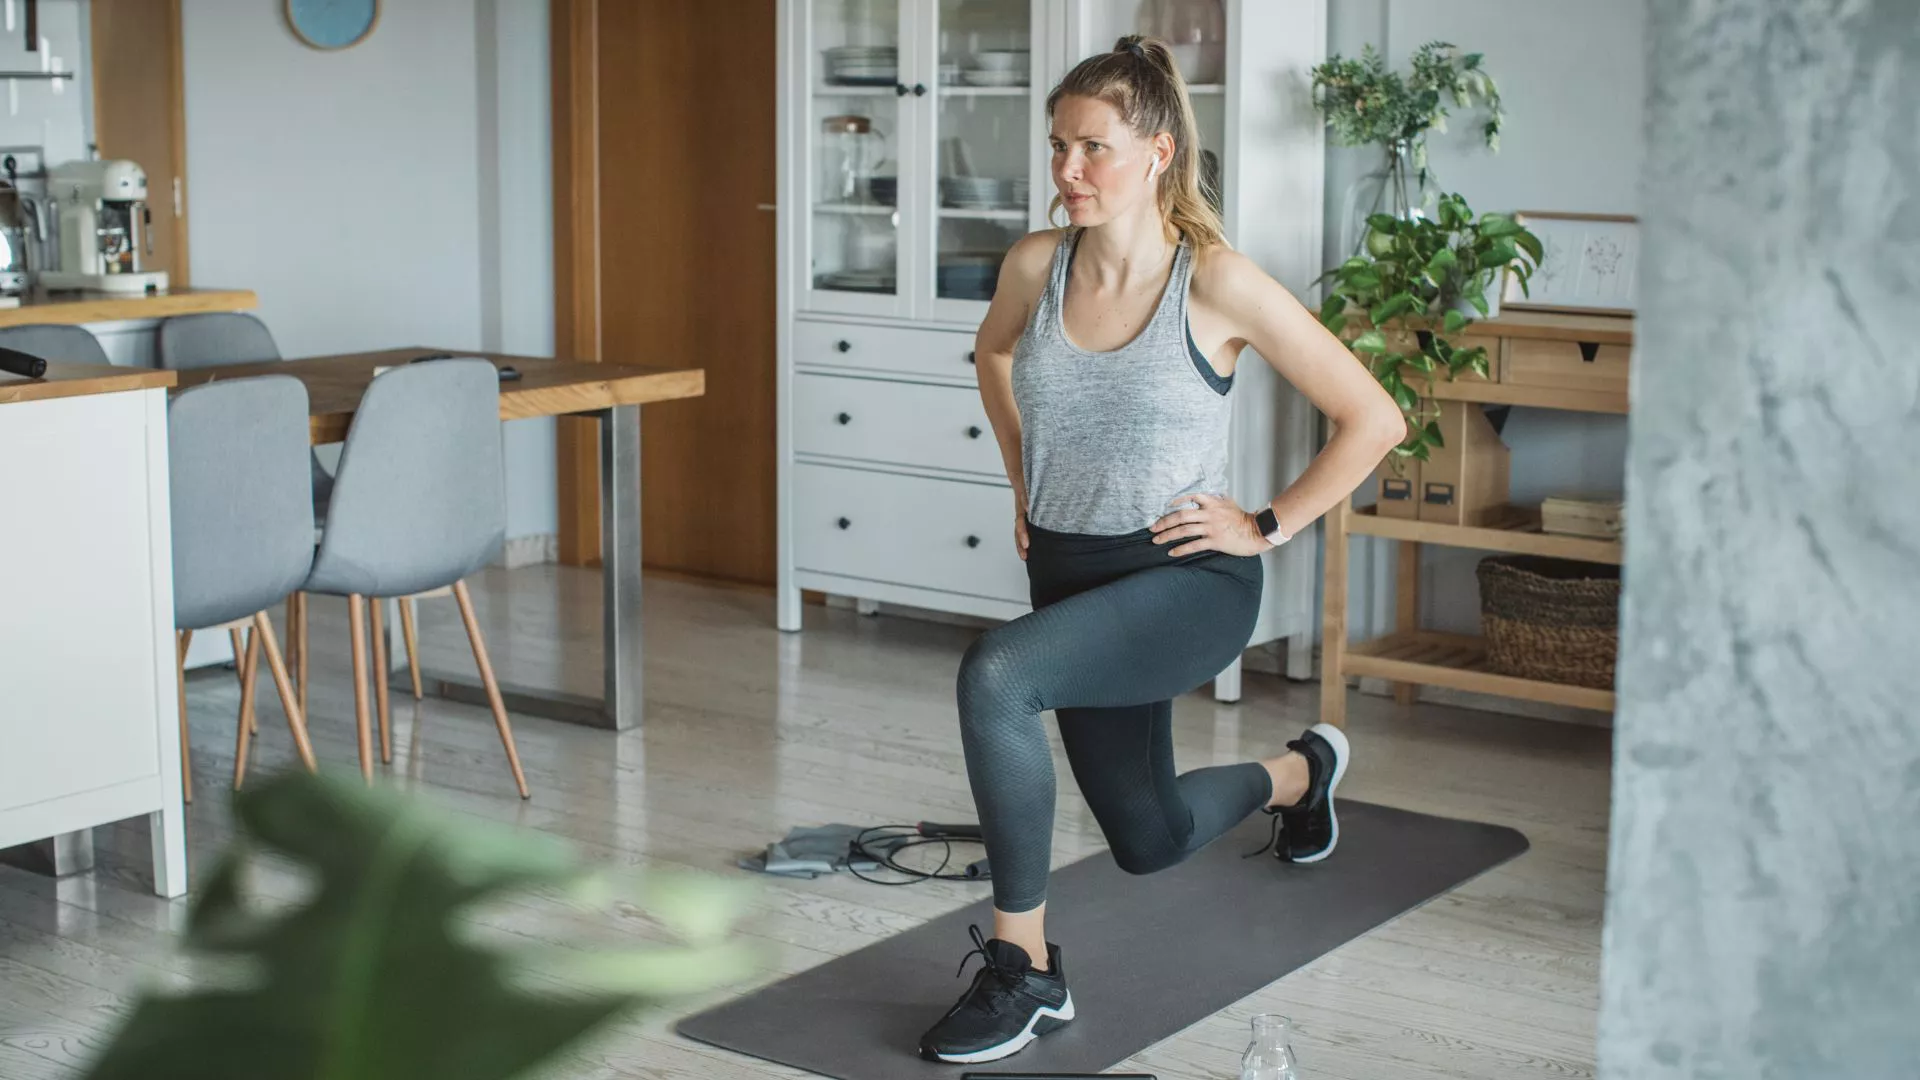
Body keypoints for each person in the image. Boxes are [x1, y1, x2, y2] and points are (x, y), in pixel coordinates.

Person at [915, 35, 1407, 1065]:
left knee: (997, 677)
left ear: (1159, 151)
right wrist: (1022, 474)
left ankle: (1026, 971)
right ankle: (1301, 773)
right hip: (1071, 575)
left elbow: (1374, 419)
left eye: (1092, 147)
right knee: (1151, 840)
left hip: (1187, 579)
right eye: (1058, 146)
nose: (1068, 169)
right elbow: (992, 352)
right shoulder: (1036, 265)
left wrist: (1265, 524)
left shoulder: (1217, 282)